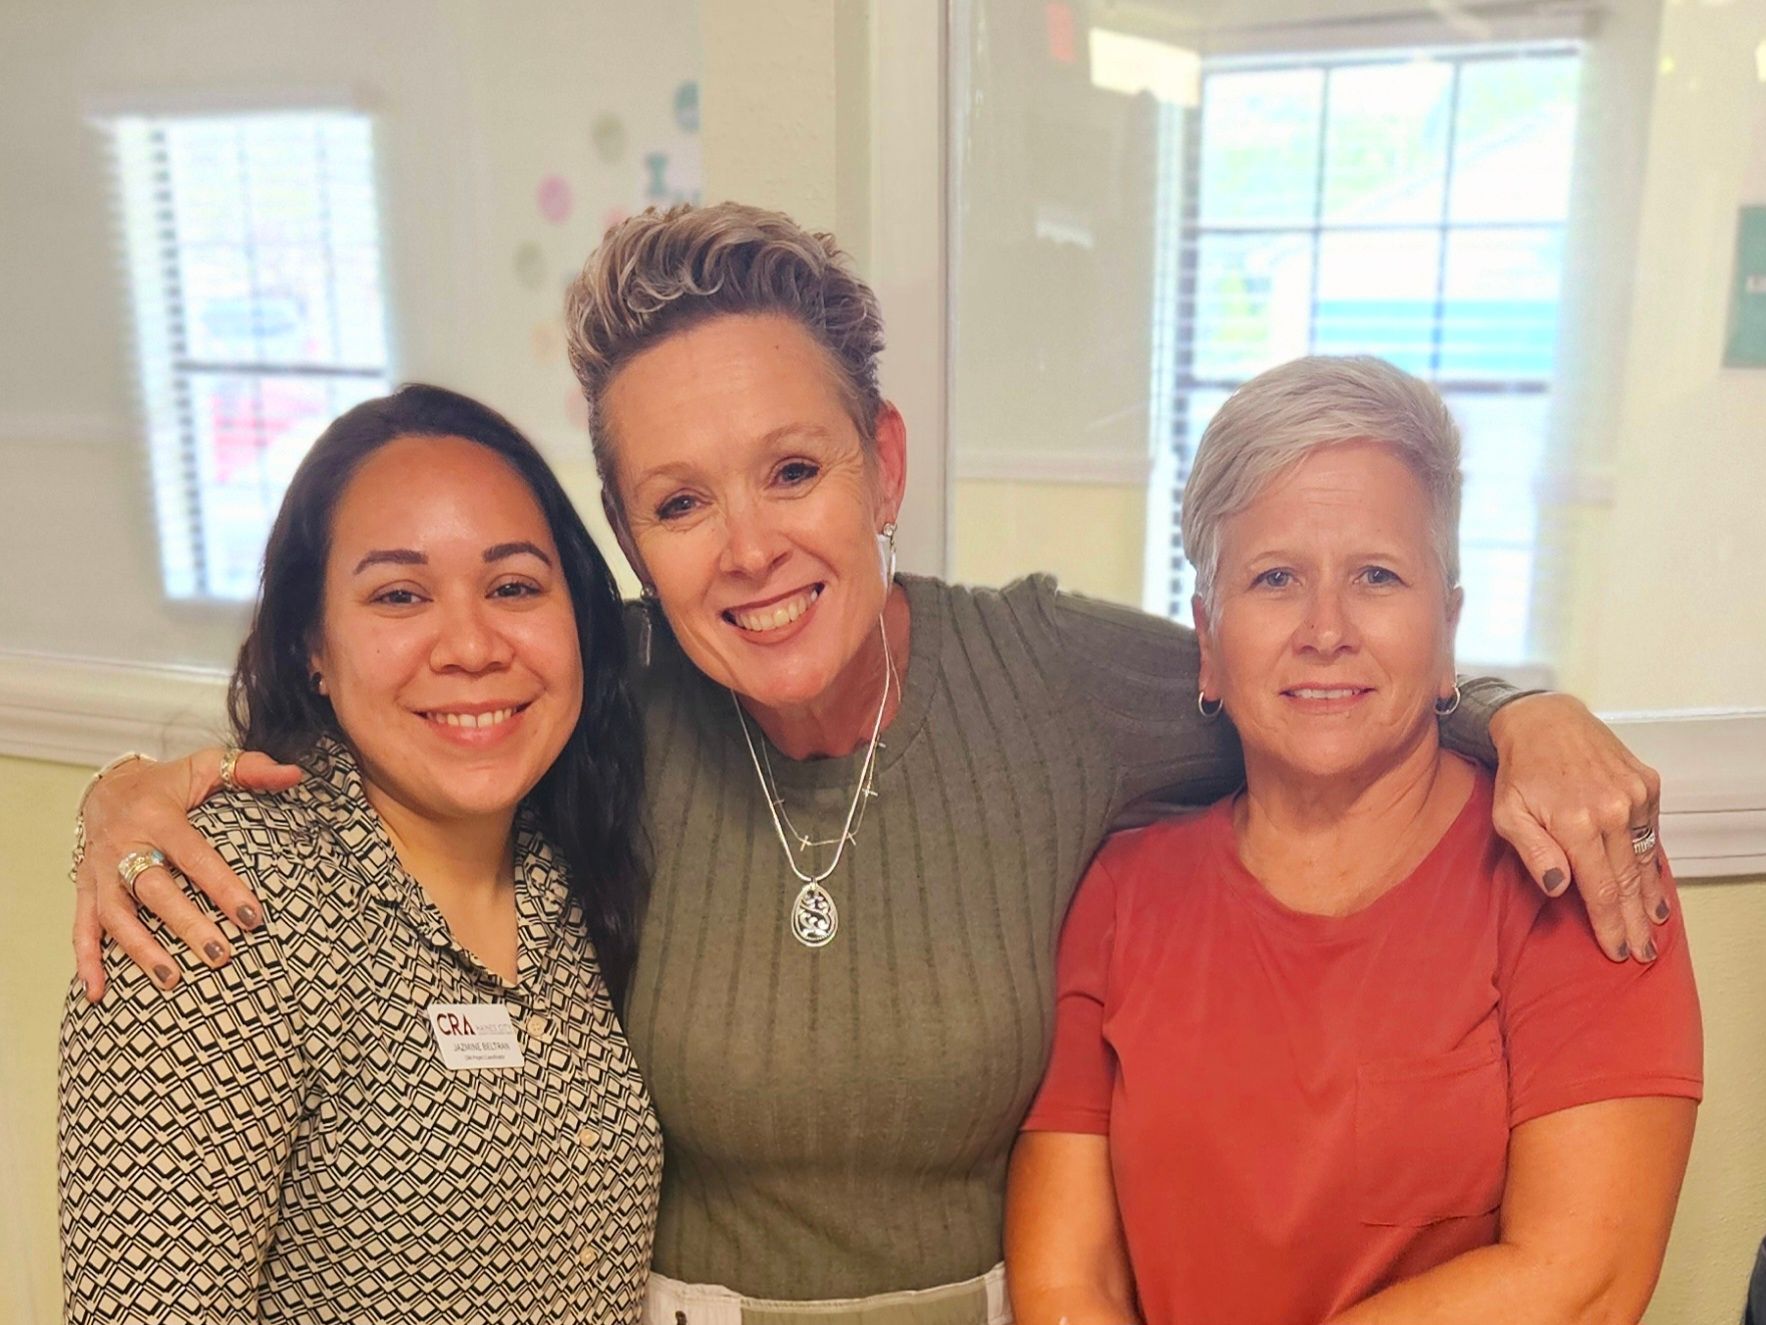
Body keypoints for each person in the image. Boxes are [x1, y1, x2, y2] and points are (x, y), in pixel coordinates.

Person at [70, 205, 1674, 1322]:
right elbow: (407, 707)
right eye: (682, 504)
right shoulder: (595, 687)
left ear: (882, 461)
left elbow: (1304, 661)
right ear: (628, 538)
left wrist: (1515, 708)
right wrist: (132, 792)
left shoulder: (1048, 676)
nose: (753, 550)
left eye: (793, 469)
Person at [1005, 356, 1702, 1324]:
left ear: (1446, 625)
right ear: (1208, 636)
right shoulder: (1122, 890)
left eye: (1375, 574)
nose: (1323, 627)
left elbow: (1581, 1275)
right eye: (1273, 577)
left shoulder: (1575, 865)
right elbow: (1067, 1281)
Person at [59, 386, 662, 1323]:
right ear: (314, 646)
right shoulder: (216, 898)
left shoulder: (569, 864)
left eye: (513, 586)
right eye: (398, 594)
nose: (469, 644)